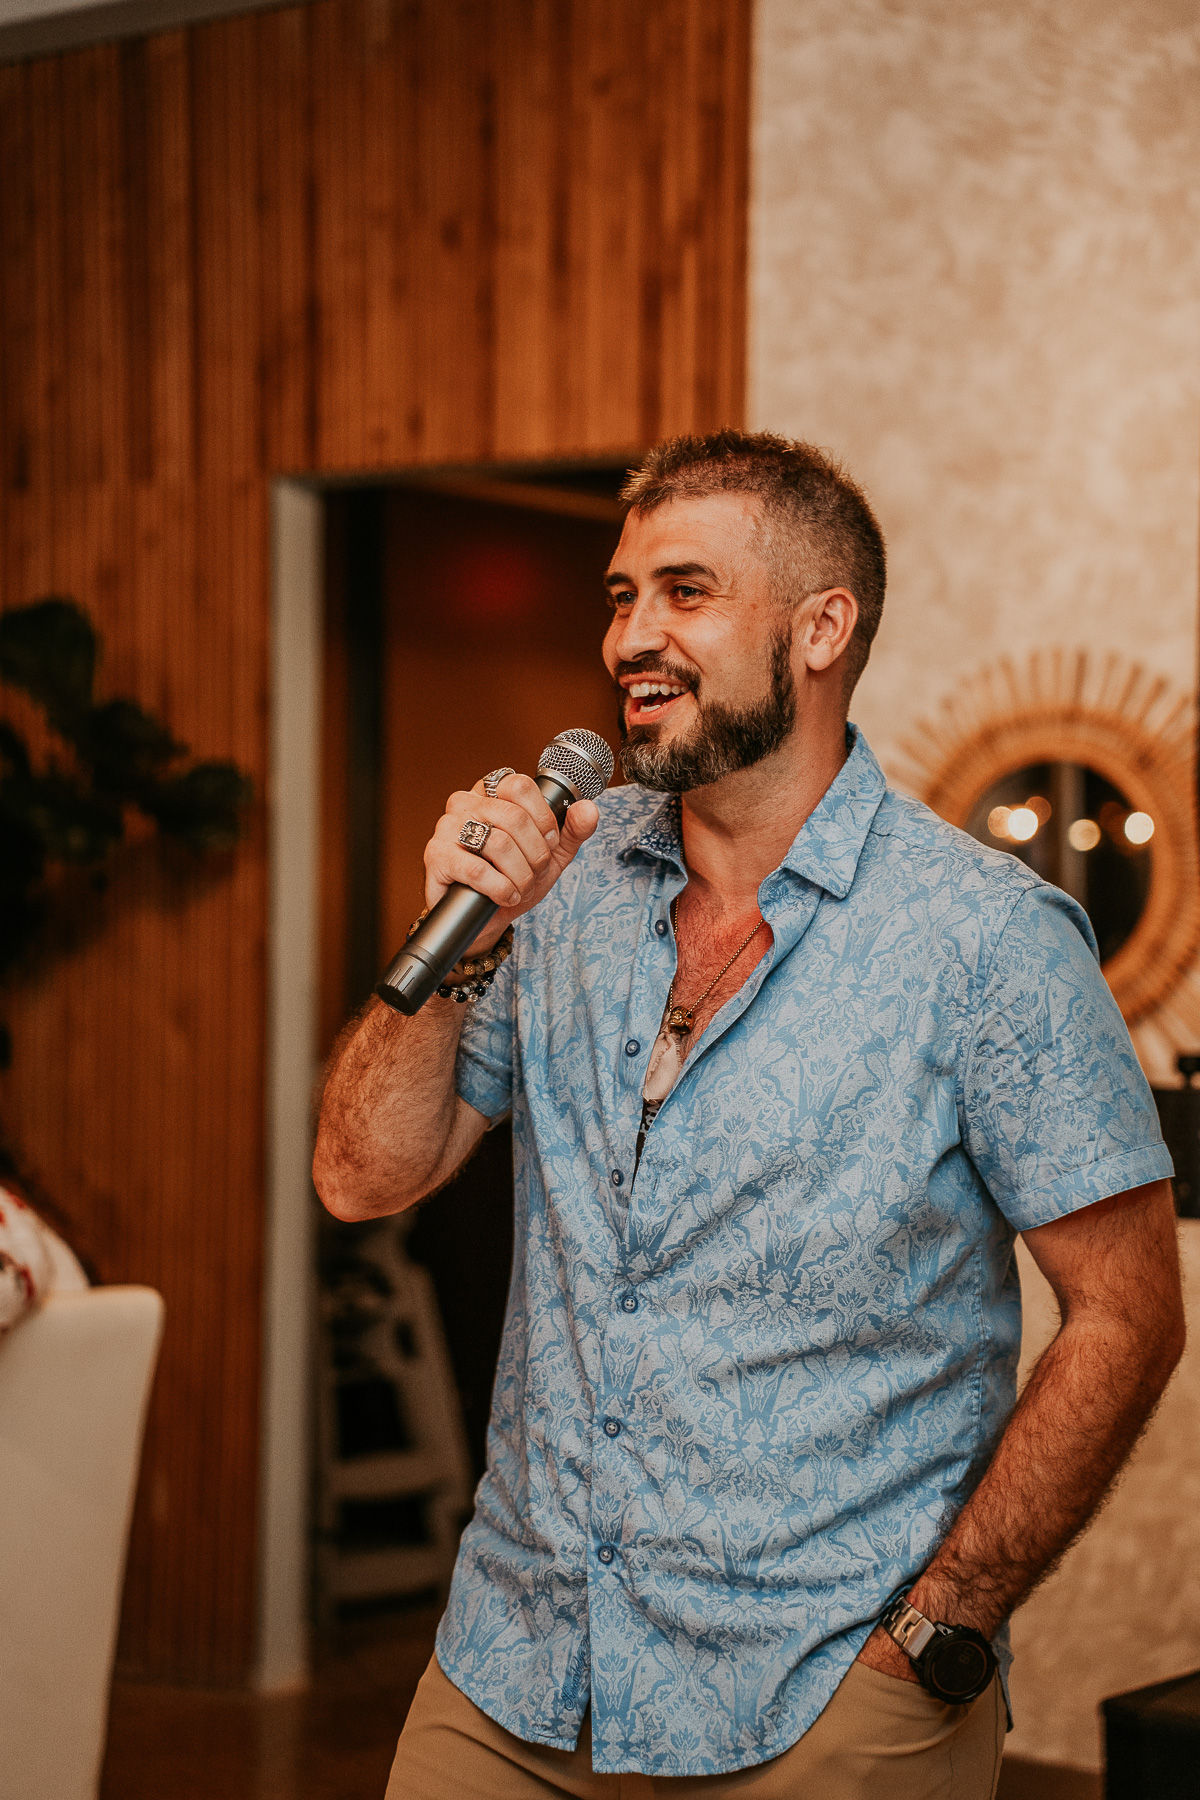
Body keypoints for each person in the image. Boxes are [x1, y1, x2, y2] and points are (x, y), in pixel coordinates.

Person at [314, 430, 1185, 1799]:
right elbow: (362, 1180)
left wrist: (942, 1630)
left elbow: (1130, 1313)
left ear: (821, 628)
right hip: (510, 1671)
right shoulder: (563, 887)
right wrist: (462, 933)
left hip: (816, 1696)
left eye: (686, 590)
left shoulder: (988, 942)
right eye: (620, 594)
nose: (632, 636)